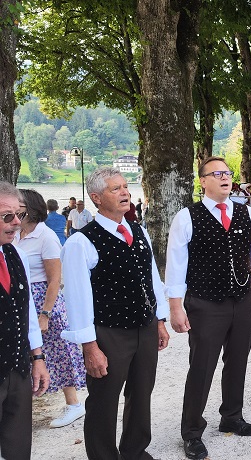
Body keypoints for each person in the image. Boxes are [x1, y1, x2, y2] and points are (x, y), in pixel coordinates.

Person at [165, 157, 251, 460]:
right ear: (203, 181)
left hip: (241, 299)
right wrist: (176, 307)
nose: (225, 177)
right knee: (202, 366)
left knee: (238, 360)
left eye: (227, 173)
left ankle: (232, 416)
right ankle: (191, 431)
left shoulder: (246, 212)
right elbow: (175, 267)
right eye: (217, 174)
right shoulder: (186, 217)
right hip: (204, 303)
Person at [60, 167, 170, 460]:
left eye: (125, 186)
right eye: (115, 189)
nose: (125, 192)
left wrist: (159, 320)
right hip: (108, 332)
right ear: (96, 198)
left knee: (141, 392)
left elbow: (152, 280)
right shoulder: (80, 242)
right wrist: (90, 347)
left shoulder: (139, 230)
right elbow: (77, 299)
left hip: (144, 327)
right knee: (103, 401)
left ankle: (135, 451)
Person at [14, 190, 87, 428]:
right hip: (22, 297)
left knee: (59, 352)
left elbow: (55, 279)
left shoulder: (45, 237)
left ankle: (74, 405)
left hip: (44, 299)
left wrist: (45, 313)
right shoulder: (15, 234)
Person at [0, 182, 49, 460]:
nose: (17, 222)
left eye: (18, 215)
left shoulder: (15, 254)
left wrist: (38, 358)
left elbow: (26, 310)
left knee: (18, 448)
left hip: (17, 369)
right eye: (7, 216)